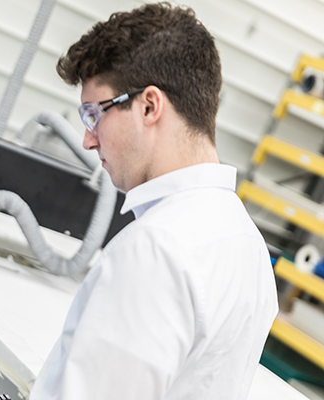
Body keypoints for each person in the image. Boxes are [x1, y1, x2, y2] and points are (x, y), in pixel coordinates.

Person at [28, 3, 278, 400]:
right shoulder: (246, 242)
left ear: (148, 105)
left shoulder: (155, 247)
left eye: (94, 114)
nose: (88, 140)